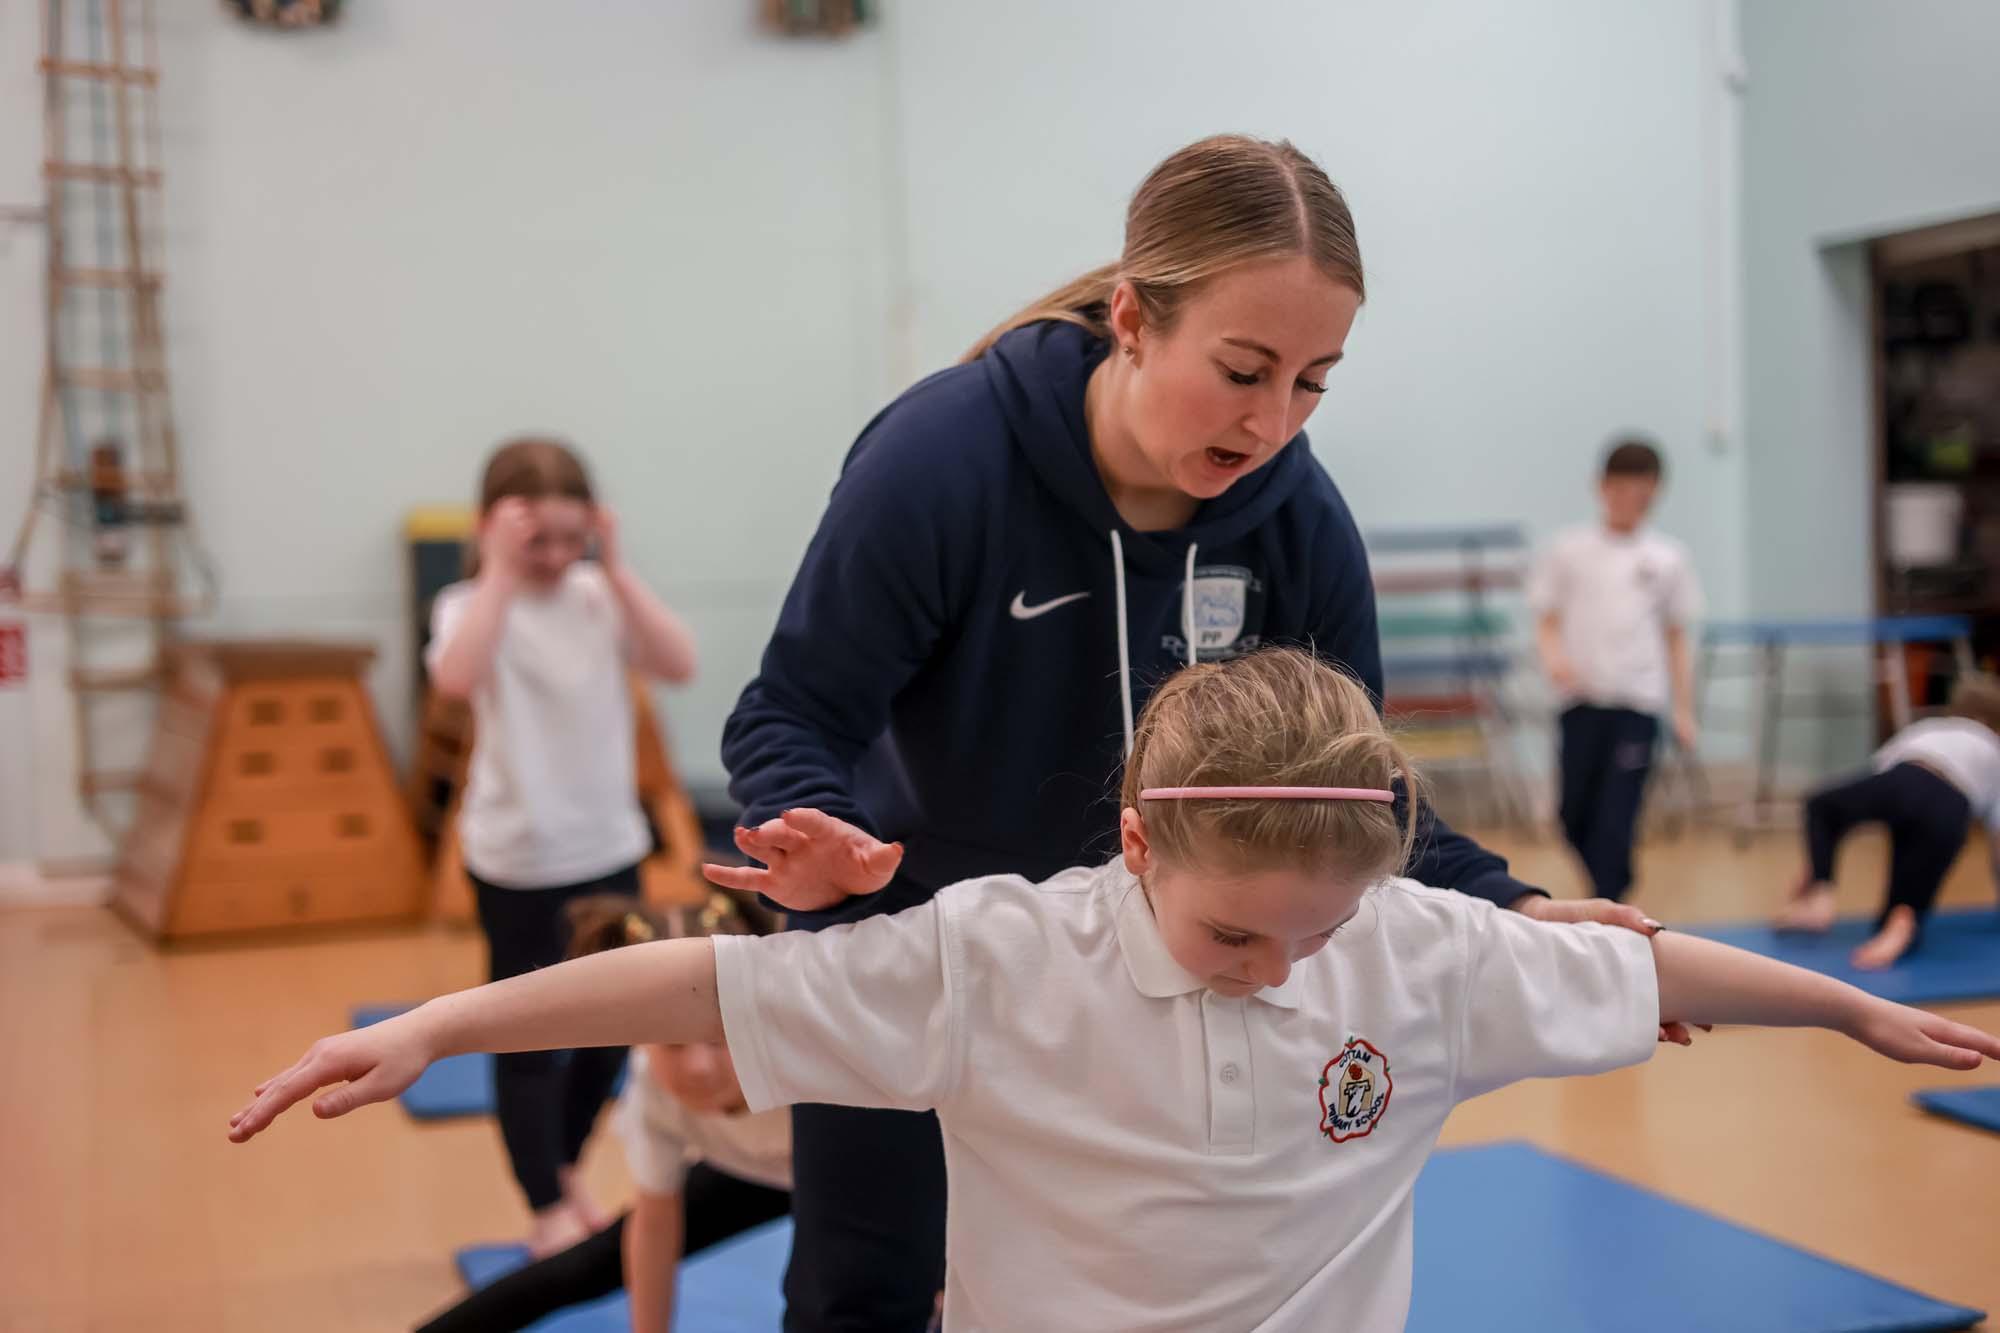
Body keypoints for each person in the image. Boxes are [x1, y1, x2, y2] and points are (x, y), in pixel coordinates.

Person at [232, 648, 2000, 1333]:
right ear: (1140, 846)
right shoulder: (995, 956)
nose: (1285, 967)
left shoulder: (1412, 944)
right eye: (1238, 936)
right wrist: (439, 1024)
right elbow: (701, 978)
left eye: (1320, 930)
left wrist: (1847, 1008)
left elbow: (1633, 962)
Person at [720, 132, 1663, 1331]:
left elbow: (1355, 797)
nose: (1271, 419)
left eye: (1312, 381)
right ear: (1130, 318)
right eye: (1241, 369)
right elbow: (792, 711)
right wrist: (816, 824)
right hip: (928, 951)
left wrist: (1511, 904)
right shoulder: (942, 460)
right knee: (865, 1294)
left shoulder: (1298, 521)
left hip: (1169, 979)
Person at [427, 436, 698, 1255]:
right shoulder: (470, 604)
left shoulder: (596, 595)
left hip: (608, 845)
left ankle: (567, 1163)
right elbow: (454, 680)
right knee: (524, 1036)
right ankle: (542, 1199)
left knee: (619, 1022)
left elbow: (678, 662)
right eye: (534, 539)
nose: (552, 557)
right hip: (516, 857)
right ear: (490, 528)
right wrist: (499, 571)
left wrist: (614, 566)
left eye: (567, 538)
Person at [412, 891, 790, 1333]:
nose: (697, 1068)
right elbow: (655, 1227)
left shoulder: (806, 1062)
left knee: (827, 1291)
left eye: (718, 1039)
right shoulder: (652, 1081)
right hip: (757, 1174)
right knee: (586, 1265)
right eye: (673, 1044)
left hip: (844, 1178)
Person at [1529, 436, 1701, 901]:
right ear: (1602, 487)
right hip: (1580, 701)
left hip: (1637, 705)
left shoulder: (1667, 558)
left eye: (1642, 493)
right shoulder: (1568, 550)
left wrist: (1684, 710)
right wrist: (1555, 660)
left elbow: (1676, 638)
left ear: (1655, 492)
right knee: (1572, 814)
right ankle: (1612, 889)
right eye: (1622, 490)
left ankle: (1610, 902)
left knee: (1616, 817)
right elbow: (1546, 620)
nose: (1630, 501)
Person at [1775, 671, 2000, 968]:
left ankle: (1820, 898)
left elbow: (1869, 786)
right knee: (1915, 873)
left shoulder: (1929, 727)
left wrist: (1818, 870)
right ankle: (1901, 921)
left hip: (1904, 778)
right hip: (1952, 802)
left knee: (1822, 807)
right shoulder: (1994, 749)